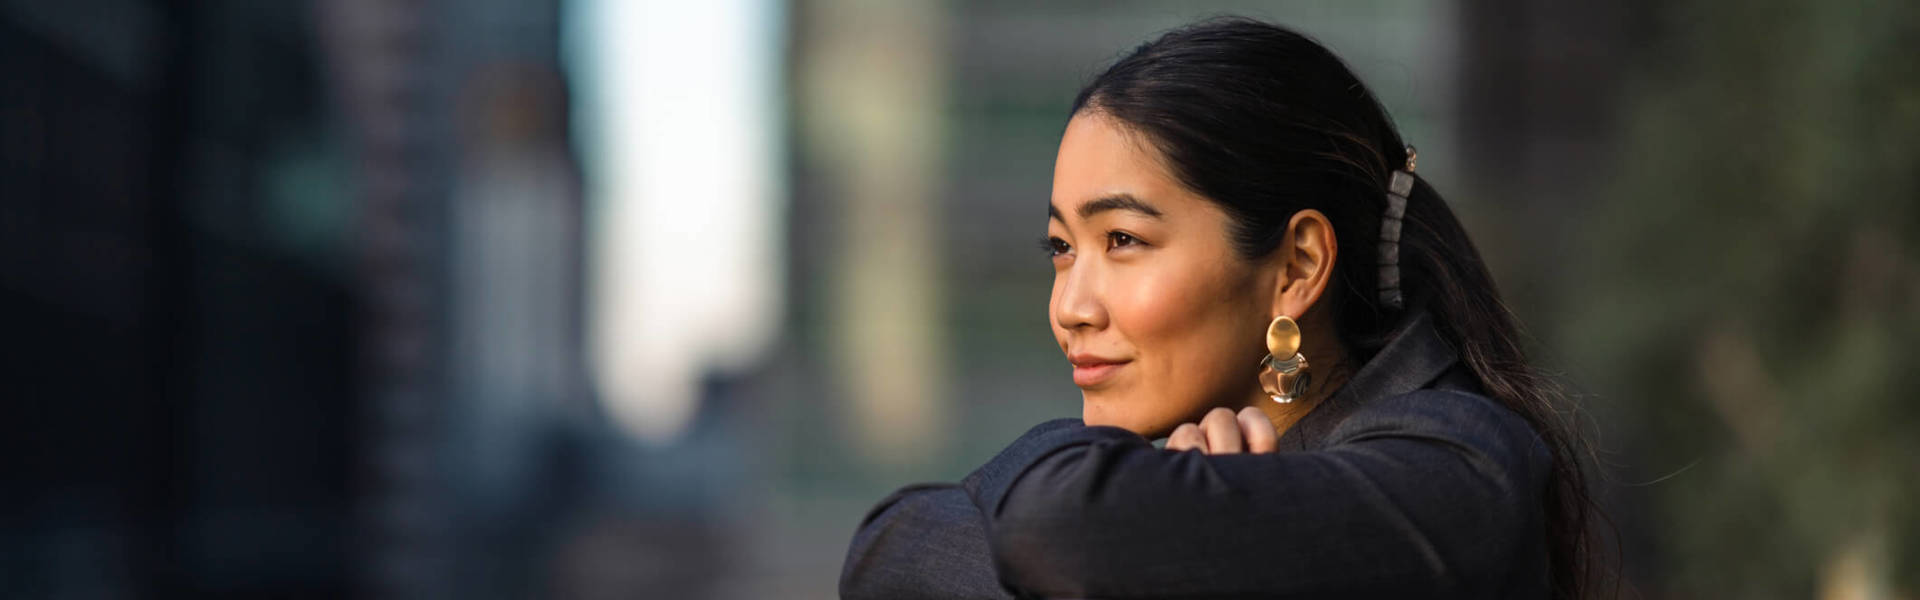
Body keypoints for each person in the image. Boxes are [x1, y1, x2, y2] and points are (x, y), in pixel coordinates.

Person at [840, 17, 1602, 599]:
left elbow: (1051, 530)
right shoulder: (1183, 457)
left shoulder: (1460, 466)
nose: (1071, 307)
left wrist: (1147, 492)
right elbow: (889, 548)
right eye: (1062, 248)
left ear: (1297, 265)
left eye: (1125, 240)